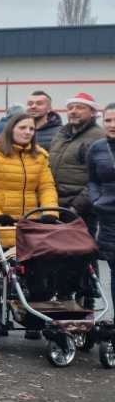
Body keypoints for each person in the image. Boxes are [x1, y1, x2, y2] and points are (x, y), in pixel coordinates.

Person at [0, 113, 57, 320]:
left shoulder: (40, 156)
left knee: (35, 269)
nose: (27, 132)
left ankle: (32, 313)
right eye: (23, 128)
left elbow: (46, 187)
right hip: (0, 223)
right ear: (11, 129)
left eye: (31, 129)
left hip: (29, 223)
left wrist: (50, 212)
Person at [48, 91, 101, 236]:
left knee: (81, 255)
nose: (74, 111)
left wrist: (76, 208)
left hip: (80, 212)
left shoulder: (99, 137)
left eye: (80, 107)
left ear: (92, 112)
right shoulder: (60, 134)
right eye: (70, 107)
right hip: (54, 208)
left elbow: (98, 180)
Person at [83, 104, 115, 303]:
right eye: (108, 120)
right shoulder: (97, 148)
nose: (112, 125)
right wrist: (97, 199)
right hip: (109, 220)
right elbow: (92, 179)